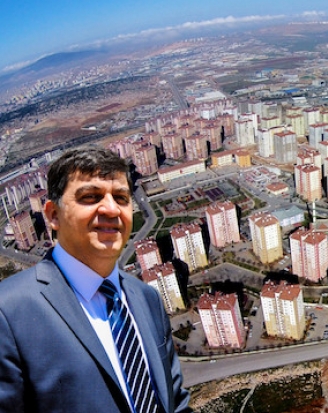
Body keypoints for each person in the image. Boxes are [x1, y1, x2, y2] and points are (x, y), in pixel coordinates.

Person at [0, 147, 193, 413]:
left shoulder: (146, 298)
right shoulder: (9, 312)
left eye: (121, 198)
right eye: (90, 197)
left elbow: (175, 403)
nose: (112, 210)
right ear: (53, 215)